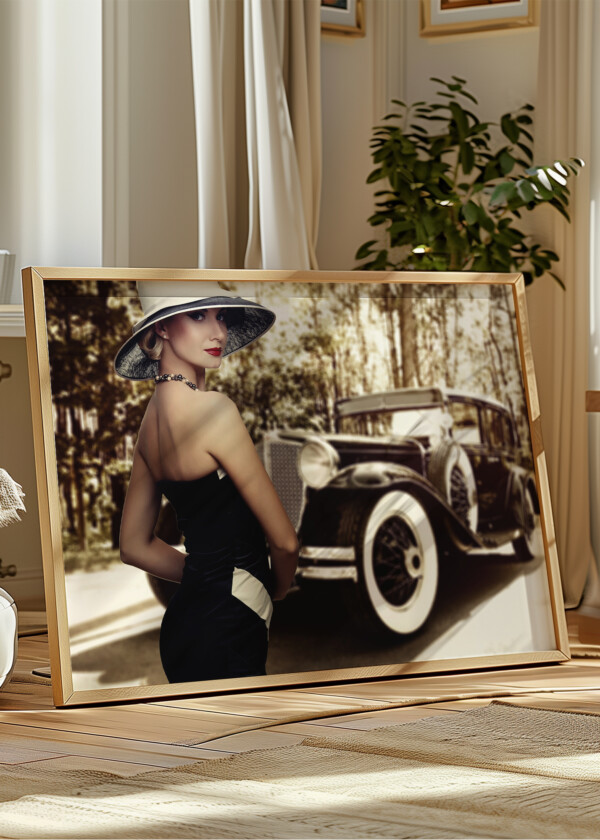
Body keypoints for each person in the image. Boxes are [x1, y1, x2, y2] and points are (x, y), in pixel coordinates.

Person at [114, 281, 299, 683]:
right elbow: (285, 543)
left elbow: (133, 547)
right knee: (248, 745)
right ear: (161, 328)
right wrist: (273, 588)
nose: (218, 332)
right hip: (229, 625)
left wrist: (206, 574)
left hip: (183, 625)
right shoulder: (215, 410)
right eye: (198, 316)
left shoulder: (148, 425)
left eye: (221, 317)